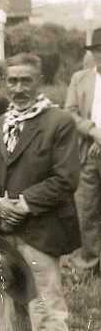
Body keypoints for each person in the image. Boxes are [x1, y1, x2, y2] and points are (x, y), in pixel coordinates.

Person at [0, 53, 80, 331]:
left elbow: (66, 179)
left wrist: (21, 205)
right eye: (13, 81)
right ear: (5, 83)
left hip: (41, 231)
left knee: (44, 307)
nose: (19, 87)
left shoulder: (59, 122)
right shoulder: (0, 123)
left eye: (27, 81)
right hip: (3, 231)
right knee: (8, 308)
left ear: (40, 83)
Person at [63, 26, 101, 279]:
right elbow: (71, 112)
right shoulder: (81, 78)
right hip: (88, 153)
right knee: (86, 210)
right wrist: (93, 133)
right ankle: (88, 263)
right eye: (99, 51)